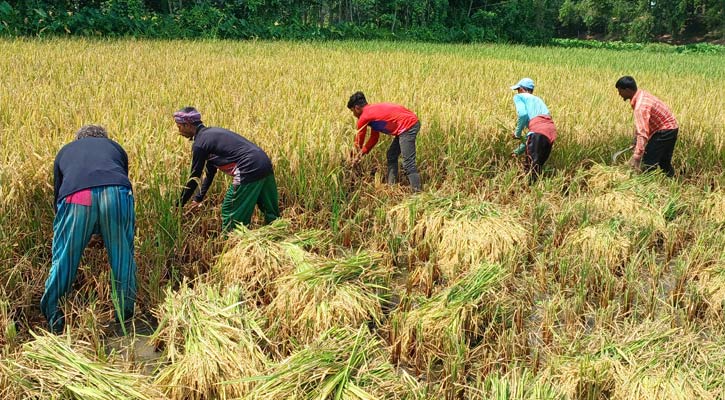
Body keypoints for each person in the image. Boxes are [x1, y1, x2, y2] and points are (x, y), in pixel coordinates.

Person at [41, 125, 137, 334]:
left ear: (78, 139)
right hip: (116, 193)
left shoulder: (65, 151)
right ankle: (125, 318)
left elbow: (58, 196)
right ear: (104, 138)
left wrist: (72, 231)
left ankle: (54, 317)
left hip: (77, 197)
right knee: (123, 256)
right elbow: (119, 179)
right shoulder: (115, 147)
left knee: (65, 256)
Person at [174, 107, 279, 231]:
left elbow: (194, 177)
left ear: (187, 125)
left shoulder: (200, 144)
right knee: (269, 208)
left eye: (179, 126)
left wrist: (178, 205)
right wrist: (198, 198)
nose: (179, 131)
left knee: (230, 209)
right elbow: (210, 172)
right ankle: (277, 232)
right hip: (264, 162)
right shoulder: (210, 135)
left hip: (248, 167)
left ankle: (235, 243)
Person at [347, 92, 422, 192]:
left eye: (352, 111)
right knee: (391, 155)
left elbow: (358, 142)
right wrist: (361, 153)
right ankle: (391, 188)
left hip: (408, 126)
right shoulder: (372, 114)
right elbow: (374, 138)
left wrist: (353, 156)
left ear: (357, 108)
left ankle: (417, 194)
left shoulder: (364, 117)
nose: (353, 115)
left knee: (408, 163)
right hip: (408, 124)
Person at [615, 76, 678, 177]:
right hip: (672, 128)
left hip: (664, 130)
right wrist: (635, 142)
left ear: (627, 90)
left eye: (620, 91)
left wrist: (636, 156)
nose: (619, 94)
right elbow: (643, 125)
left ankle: (646, 188)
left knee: (648, 163)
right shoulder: (641, 95)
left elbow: (642, 133)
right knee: (664, 163)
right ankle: (674, 182)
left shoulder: (640, 106)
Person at [509, 78, 557, 182]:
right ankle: (536, 191)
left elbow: (522, 115)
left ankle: (528, 192)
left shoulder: (519, 97)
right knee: (537, 167)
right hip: (550, 132)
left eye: (518, 89)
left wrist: (517, 133)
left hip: (539, 131)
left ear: (521, 89)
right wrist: (517, 152)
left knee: (530, 169)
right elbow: (532, 137)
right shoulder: (539, 100)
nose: (517, 92)